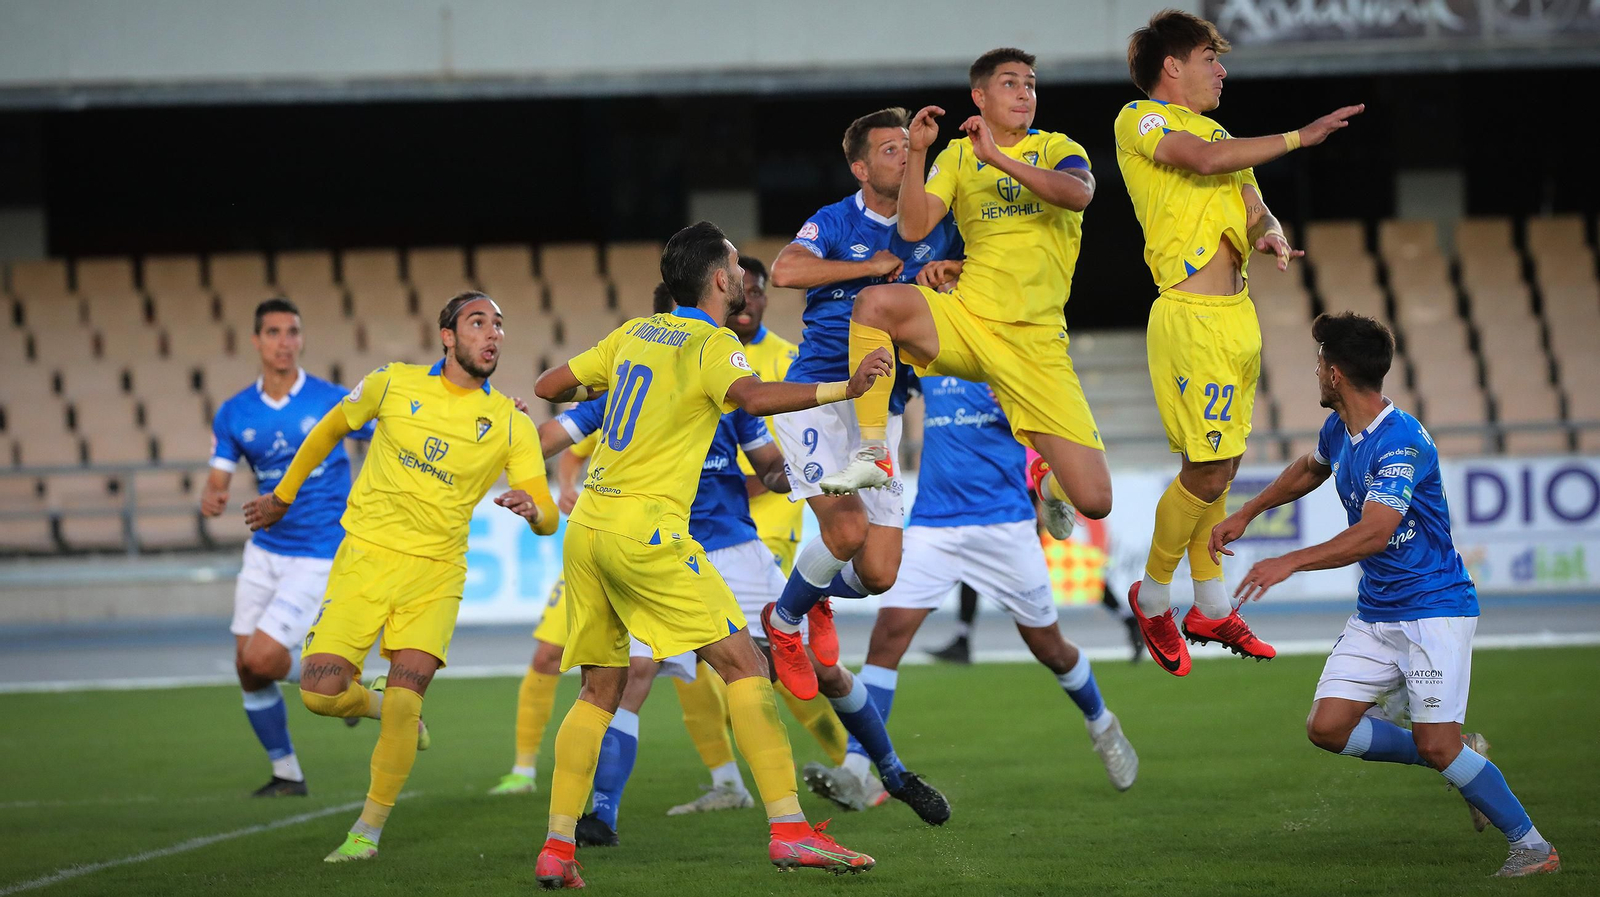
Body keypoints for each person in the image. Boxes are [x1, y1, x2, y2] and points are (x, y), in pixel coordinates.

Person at [528, 222, 890, 888]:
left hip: (590, 533)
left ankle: (557, 847)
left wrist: (613, 391)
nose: (741, 278)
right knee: (745, 663)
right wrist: (848, 389)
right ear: (722, 278)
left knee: (599, 689)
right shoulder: (712, 342)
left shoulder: (634, 332)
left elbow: (551, 383)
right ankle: (789, 831)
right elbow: (750, 397)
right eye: (734, 265)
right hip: (649, 533)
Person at [1210, 313, 1560, 879]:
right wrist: (1248, 512)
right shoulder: (1341, 429)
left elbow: (1374, 531)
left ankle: (1533, 847)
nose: (1316, 371)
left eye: (1321, 362)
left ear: (1337, 373)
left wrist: (1290, 561)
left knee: (1437, 747)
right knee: (1327, 728)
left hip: (1433, 610)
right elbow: (1308, 470)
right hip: (1378, 611)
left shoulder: (1399, 442)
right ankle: (1459, 755)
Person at [242, 291, 560, 863]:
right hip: (364, 560)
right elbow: (327, 430)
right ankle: (375, 703)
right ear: (447, 335)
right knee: (319, 693)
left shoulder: (510, 422)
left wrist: (535, 511)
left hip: (436, 576)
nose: (493, 334)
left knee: (408, 700)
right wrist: (283, 496)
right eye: (477, 322)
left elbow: (547, 510)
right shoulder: (391, 383)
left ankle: (366, 833)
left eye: (500, 325)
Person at [1115, 10, 1364, 675]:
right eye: (1209, 59)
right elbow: (1201, 160)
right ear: (1172, 66)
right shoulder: (1141, 119)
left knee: (1221, 466)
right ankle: (1153, 594)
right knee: (1206, 468)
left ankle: (1212, 603)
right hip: (1190, 319)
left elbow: (1253, 204)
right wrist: (1299, 137)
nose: (1221, 70)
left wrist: (1271, 232)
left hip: (1236, 317)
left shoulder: (1221, 132)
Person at [810, 376, 1137, 806]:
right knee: (887, 637)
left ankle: (1101, 722)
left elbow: (1044, 429)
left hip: (1003, 525)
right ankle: (855, 769)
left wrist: (1047, 483)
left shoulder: (1001, 362)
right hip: (934, 525)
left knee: (1048, 646)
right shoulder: (928, 354)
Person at [762, 106, 963, 700]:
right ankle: (784, 622)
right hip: (819, 398)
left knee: (878, 574)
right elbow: (785, 269)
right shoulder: (834, 221)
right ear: (860, 167)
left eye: (909, 148)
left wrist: (950, 276)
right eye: (890, 150)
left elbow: (967, 281)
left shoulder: (936, 226)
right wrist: (867, 266)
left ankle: (810, 588)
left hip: (885, 408)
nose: (904, 157)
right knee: (845, 533)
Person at [201, 297, 372, 797]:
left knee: (260, 659)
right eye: (273, 332)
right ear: (256, 341)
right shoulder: (235, 412)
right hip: (264, 551)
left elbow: (389, 431)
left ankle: (341, 687)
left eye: (292, 332)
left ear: (301, 339)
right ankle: (287, 773)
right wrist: (213, 493)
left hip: (317, 553)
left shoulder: (330, 399)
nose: (284, 342)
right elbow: (219, 472)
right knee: (248, 669)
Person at [725, 256, 805, 573]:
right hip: (715, 512)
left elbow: (812, 435)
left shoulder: (790, 361)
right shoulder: (701, 354)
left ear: (765, 300)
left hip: (774, 516)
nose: (747, 302)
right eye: (739, 292)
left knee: (763, 616)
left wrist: (763, 480)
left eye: (755, 293)